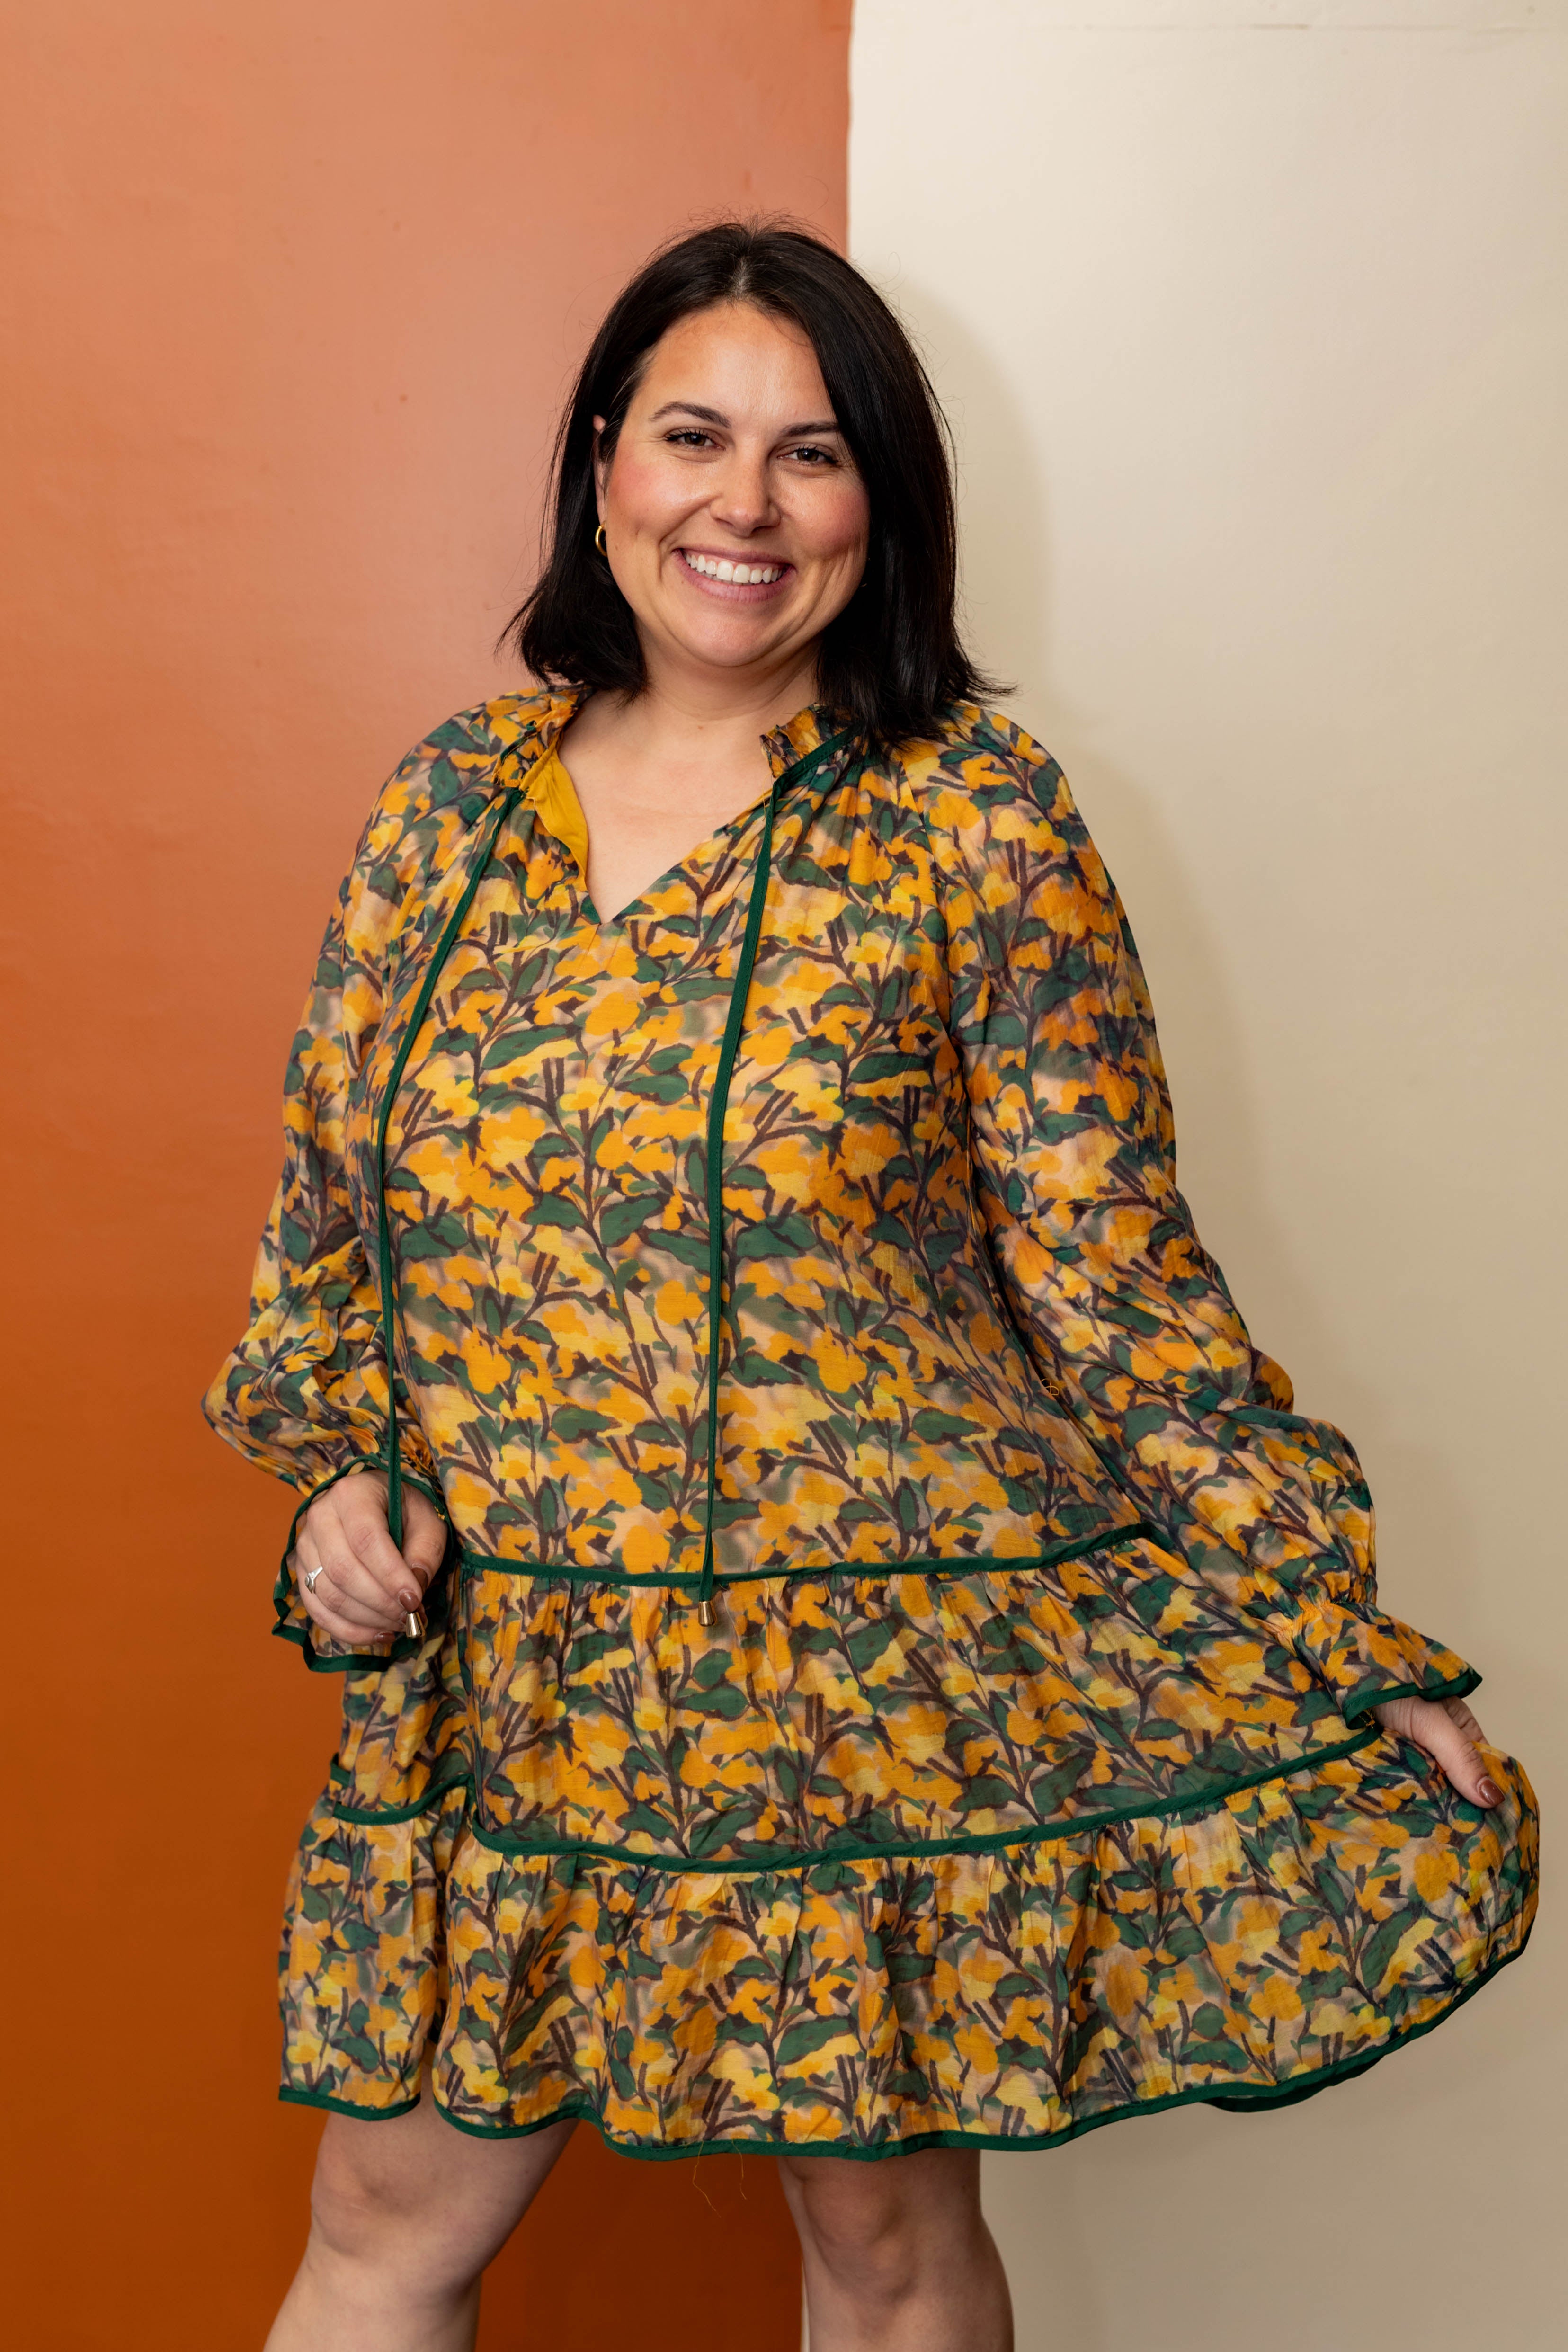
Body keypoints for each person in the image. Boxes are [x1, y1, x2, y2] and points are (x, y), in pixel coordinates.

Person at [205, 221, 1536, 2352]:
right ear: (604, 460)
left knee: (887, 2247)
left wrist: (1324, 1627)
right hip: (519, 1667)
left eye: (811, 454)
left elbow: (1116, 1278)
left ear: (877, 504)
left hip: (870, 1685)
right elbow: (336, 1235)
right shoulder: (447, 810)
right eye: (693, 437)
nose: (743, 504)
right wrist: (347, 1479)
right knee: (384, 2222)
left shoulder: (974, 819)